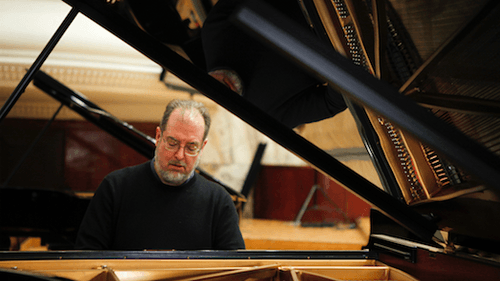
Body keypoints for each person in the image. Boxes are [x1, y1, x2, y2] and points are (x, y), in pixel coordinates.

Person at [75, 99, 245, 250]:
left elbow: (235, 270)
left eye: (191, 147)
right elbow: (85, 259)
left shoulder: (219, 201)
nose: (180, 155)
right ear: (158, 136)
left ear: (202, 147)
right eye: (172, 143)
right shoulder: (115, 187)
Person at [201, 0, 348, 129]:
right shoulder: (267, 116)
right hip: (343, 45)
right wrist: (344, 61)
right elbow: (330, 103)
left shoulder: (214, 29)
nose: (220, 91)